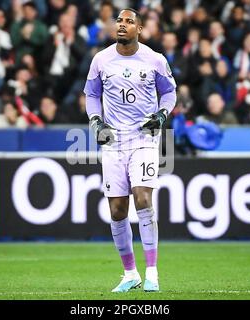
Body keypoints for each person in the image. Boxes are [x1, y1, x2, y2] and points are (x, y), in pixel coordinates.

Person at [83, 8, 176, 293]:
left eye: (129, 22)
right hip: (113, 142)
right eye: (119, 21)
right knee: (117, 209)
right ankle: (130, 273)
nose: (122, 25)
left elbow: (170, 92)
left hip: (143, 139)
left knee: (142, 198)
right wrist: (95, 120)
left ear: (140, 29)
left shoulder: (155, 60)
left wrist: (161, 116)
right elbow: (92, 95)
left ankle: (152, 273)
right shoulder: (101, 60)